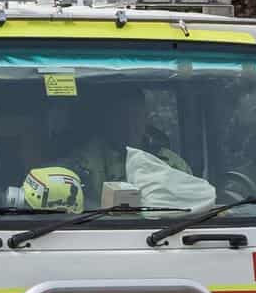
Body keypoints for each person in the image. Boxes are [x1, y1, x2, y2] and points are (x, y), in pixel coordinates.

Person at [58, 88, 190, 207]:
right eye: (121, 117)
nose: (130, 125)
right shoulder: (82, 163)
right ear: (107, 121)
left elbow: (193, 202)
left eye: (136, 116)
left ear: (146, 119)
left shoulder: (172, 163)